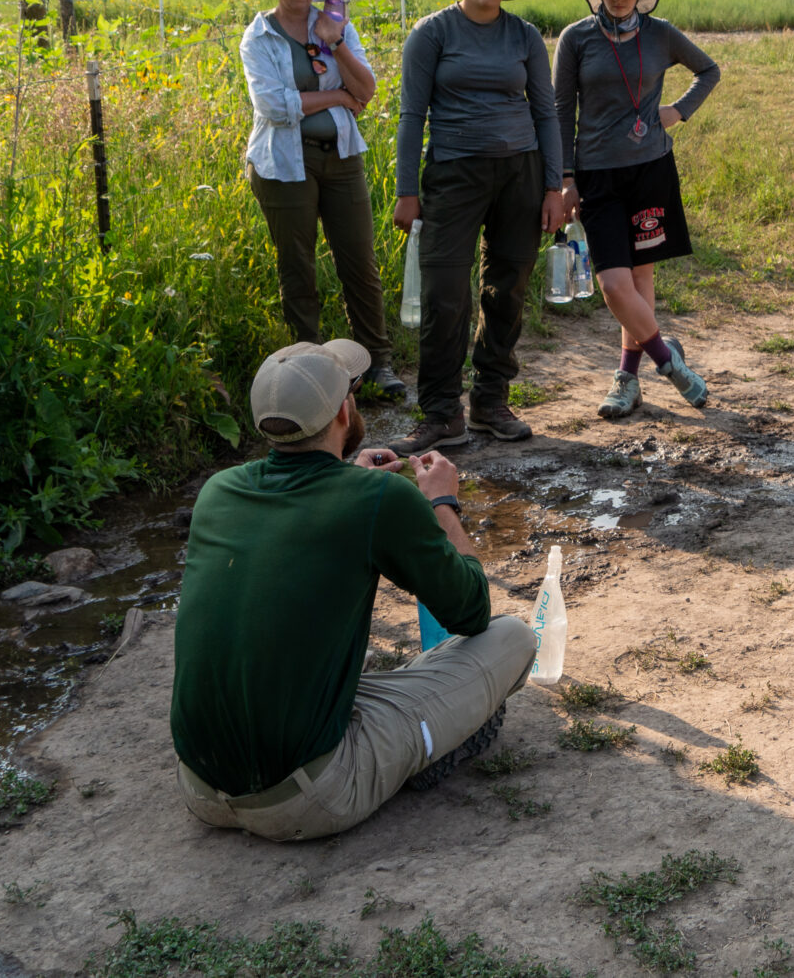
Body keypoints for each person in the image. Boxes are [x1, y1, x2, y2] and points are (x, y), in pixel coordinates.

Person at [170, 339, 533, 840]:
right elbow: (470, 611)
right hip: (308, 798)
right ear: (344, 409)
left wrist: (351, 482)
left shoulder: (218, 491)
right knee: (514, 636)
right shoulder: (377, 497)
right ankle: (424, 751)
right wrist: (442, 501)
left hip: (200, 786)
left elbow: (303, 521)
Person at [390, 0, 571, 453]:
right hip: (452, 173)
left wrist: (554, 185)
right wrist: (407, 190)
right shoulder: (432, 33)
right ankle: (441, 413)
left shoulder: (525, 37)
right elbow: (411, 116)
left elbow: (546, 112)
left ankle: (490, 401)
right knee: (446, 295)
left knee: (508, 287)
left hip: (521, 171)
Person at [553, 0, 722, 421]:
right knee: (612, 283)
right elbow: (561, 111)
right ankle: (669, 363)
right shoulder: (576, 39)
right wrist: (565, 177)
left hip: (651, 168)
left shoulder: (661, 35)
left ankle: (627, 379)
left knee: (641, 279)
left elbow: (709, 71)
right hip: (596, 175)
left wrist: (678, 111)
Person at [240, 0, 406, 401]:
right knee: (298, 266)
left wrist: (336, 43)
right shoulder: (259, 37)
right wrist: (336, 97)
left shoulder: (334, 27)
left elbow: (367, 89)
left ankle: (376, 362)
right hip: (283, 164)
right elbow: (273, 107)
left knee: (359, 259)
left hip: (342, 157)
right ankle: (306, 372)